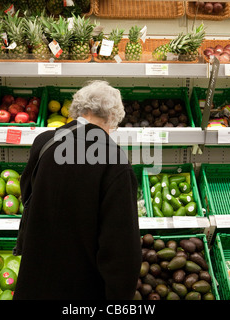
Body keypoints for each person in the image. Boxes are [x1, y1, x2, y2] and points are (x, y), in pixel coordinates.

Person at [13, 80, 142, 300]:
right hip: (81, 287)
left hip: (35, 276)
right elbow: (120, 247)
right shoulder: (115, 161)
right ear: (113, 117)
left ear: (78, 110)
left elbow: (28, 195)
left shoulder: (44, 142)